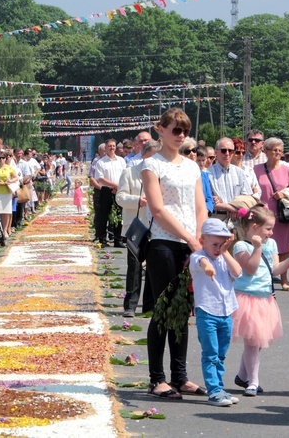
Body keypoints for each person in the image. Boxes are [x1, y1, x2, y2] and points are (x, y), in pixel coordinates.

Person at [141, 108, 207, 399]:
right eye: (175, 130)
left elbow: (200, 206)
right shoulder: (152, 165)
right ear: (161, 130)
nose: (180, 136)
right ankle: (157, 379)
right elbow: (157, 209)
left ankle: (180, 376)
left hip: (190, 243)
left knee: (182, 312)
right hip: (164, 243)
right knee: (163, 312)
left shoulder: (192, 166)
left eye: (184, 131)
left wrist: (200, 239)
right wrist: (188, 238)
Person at [231, 205, 289, 397]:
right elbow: (251, 269)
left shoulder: (271, 244)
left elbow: (274, 270)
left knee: (258, 341)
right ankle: (253, 382)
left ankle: (242, 375)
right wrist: (257, 247)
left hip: (265, 298)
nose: (271, 232)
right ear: (254, 227)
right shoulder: (241, 246)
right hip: (247, 298)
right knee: (253, 342)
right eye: (268, 228)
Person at [190, 218, 242, 406]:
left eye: (222, 244)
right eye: (214, 244)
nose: (218, 248)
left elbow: (237, 272)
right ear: (202, 241)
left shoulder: (224, 259)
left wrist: (226, 252)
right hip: (207, 312)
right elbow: (203, 262)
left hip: (226, 312)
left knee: (221, 354)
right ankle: (213, 391)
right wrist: (208, 266)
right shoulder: (198, 257)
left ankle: (219, 387)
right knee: (210, 354)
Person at [117, 140, 160, 318]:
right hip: (135, 225)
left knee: (153, 267)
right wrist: (137, 200)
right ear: (143, 155)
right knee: (134, 267)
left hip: (156, 226)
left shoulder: (161, 174)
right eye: (151, 157)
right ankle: (131, 305)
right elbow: (120, 197)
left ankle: (149, 305)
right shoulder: (130, 172)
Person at [253, 137, 289, 290]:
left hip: (282, 214)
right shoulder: (256, 170)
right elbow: (252, 189)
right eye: (274, 150)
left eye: (280, 150)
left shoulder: (287, 170)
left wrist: (284, 194)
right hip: (263, 214)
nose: (278, 152)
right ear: (266, 151)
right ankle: (262, 276)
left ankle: (284, 279)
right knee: (262, 245)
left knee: (284, 246)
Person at [95, 138, 126, 247]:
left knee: (118, 215)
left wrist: (119, 187)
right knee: (103, 215)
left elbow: (125, 175)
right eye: (110, 146)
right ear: (105, 148)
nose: (112, 148)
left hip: (119, 190)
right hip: (106, 191)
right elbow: (100, 178)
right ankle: (102, 239)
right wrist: (113, 185)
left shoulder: (121, 161)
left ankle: (118, 240)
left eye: (113, 146)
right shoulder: (101, 162)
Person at [0, 150, 19, 237]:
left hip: (7, 191)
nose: (1, 159)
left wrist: (10, 181)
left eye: (3, 158)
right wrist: (0, 183)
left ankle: (4, 230)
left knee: (6, 212)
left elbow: (16, 178)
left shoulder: (9, 168)